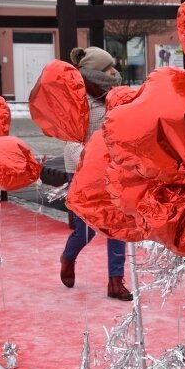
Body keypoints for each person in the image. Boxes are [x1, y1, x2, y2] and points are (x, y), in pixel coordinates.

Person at [60, 46, 132, 302]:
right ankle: (68, 257)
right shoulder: (77, 100)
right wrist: (90, 158)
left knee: (118, 226)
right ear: (94, 72)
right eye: (107, 68)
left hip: (113, 170)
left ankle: (116, 281)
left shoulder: (117, 97)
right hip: (82, 171)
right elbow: (69, 139)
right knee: (86, 230)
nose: (114, 71)